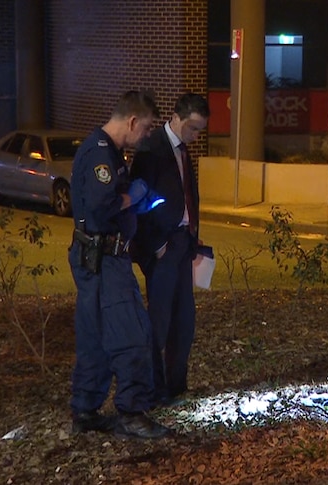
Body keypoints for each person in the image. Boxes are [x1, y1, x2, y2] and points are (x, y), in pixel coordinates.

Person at [68, 90, 170, 440]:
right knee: (133, 333)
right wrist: (136, 194)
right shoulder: (100, 154)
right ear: (131, 121)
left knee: (95, 335)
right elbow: (102, 206)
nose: (144, 137)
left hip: (94, 257)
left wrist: (137, 204)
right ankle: (132, 412)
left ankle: (85, 407)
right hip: (106, 260)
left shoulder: (107, 151)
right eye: (144, 130)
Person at [131, 92, 210, 407]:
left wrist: (193, 234)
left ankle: (177, 385)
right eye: (192, 128)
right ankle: (155, 389)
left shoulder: (182, 150)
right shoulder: (152, 149)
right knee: (160, 321)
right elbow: (138, 203)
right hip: (164, 246)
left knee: (184, 320)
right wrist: (156, 246)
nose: (195, 135)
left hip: (182, 243)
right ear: (176, 118)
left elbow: (186, 194)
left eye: (200, 130)